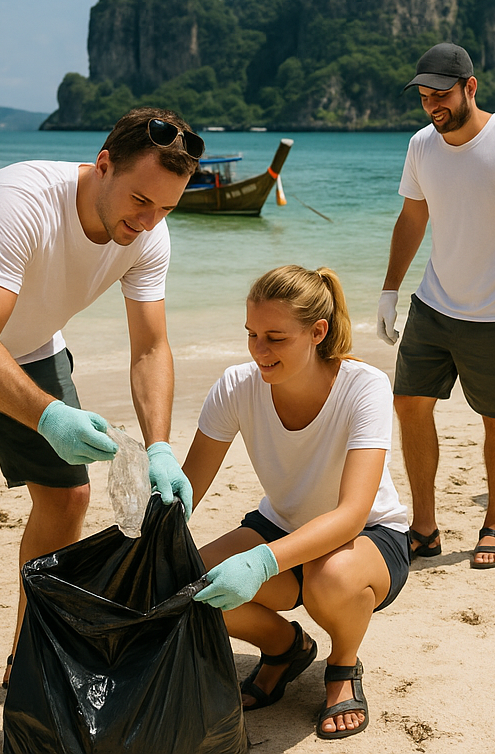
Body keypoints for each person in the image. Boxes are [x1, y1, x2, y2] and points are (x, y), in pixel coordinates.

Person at [0, 107, 200, 754]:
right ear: (101, 166)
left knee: (69, 498)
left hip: (34, 349)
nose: (148, 222)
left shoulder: (148, 233)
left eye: (166, 209)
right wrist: (47, 415)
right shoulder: (18, 201)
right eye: (140, 200)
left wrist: (159, 445)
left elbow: (150, 348)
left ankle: (24, 662)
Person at [184, 265, 410, 740]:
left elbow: (351, 513)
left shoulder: (364, 385)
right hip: (280, 523)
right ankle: (286, 648)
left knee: (331, 578)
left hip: (368, 535)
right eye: (251, 335)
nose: (259, 351)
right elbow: (188, 488)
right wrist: (150, 524)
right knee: (192, 585)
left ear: (317, 332)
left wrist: (261, 564)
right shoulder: (236, 386)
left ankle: (343, 667)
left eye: (275, 337)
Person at [376, 42, 495, 569]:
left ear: (470, 88)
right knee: (409, 404)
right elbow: (413, 218)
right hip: (434, 305)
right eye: (424, 96)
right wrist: (391, 290)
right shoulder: (421, 146)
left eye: (442, 93)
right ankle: (425, 527)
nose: (432, 104)